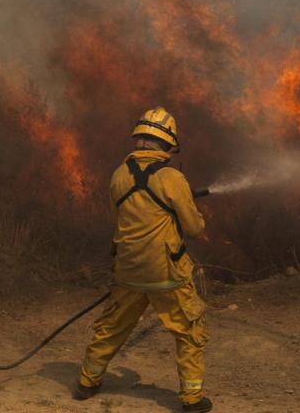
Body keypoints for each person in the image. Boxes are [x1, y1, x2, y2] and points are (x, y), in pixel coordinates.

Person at [75, 106, 212, 412]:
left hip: (129, 271)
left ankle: (87, 381)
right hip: (166, 273)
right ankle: (191, 398)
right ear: (167, 144)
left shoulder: (119, 175)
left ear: (139, 139)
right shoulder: (172, 178)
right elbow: (194, 227)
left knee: (111, 327)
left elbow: (119, 219)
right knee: (188, 331)